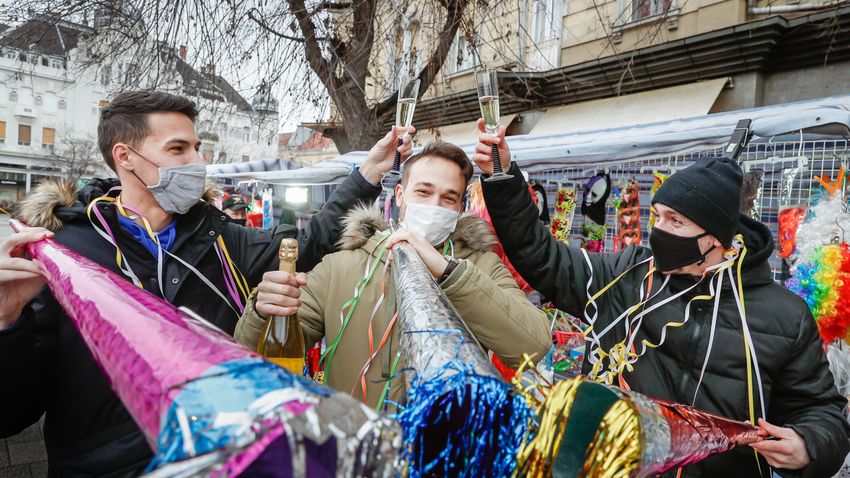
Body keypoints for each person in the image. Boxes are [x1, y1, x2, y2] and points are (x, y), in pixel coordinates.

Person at [0, 90, 414, 477]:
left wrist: (368, 172)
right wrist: (6, 321)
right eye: (178, 149)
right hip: (105, 465)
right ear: (125, 156)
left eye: (197, 148)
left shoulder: (220, 238)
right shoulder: (62, 253)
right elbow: (13, 411)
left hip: (214, 458)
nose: (197, 161)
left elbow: (307, 245)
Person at [473, 120, 849, 477]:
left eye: (676, 221)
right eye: (657, 216)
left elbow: (822, 413)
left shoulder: (785, 315)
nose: (658, 231)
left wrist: (809, 447)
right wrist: (503, 178)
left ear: (716, 239)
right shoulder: (629, 273)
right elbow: (543, 257)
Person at [233, 141, 552, 409]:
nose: (434, 205)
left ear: (460, 207)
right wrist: (264, 311)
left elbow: (533, 344)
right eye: (423, 192)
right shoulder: (341, 266)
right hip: (355, 452)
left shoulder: (481, 267)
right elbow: (254, 353)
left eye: (448, 198)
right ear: (399, 196)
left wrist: (447, 272)